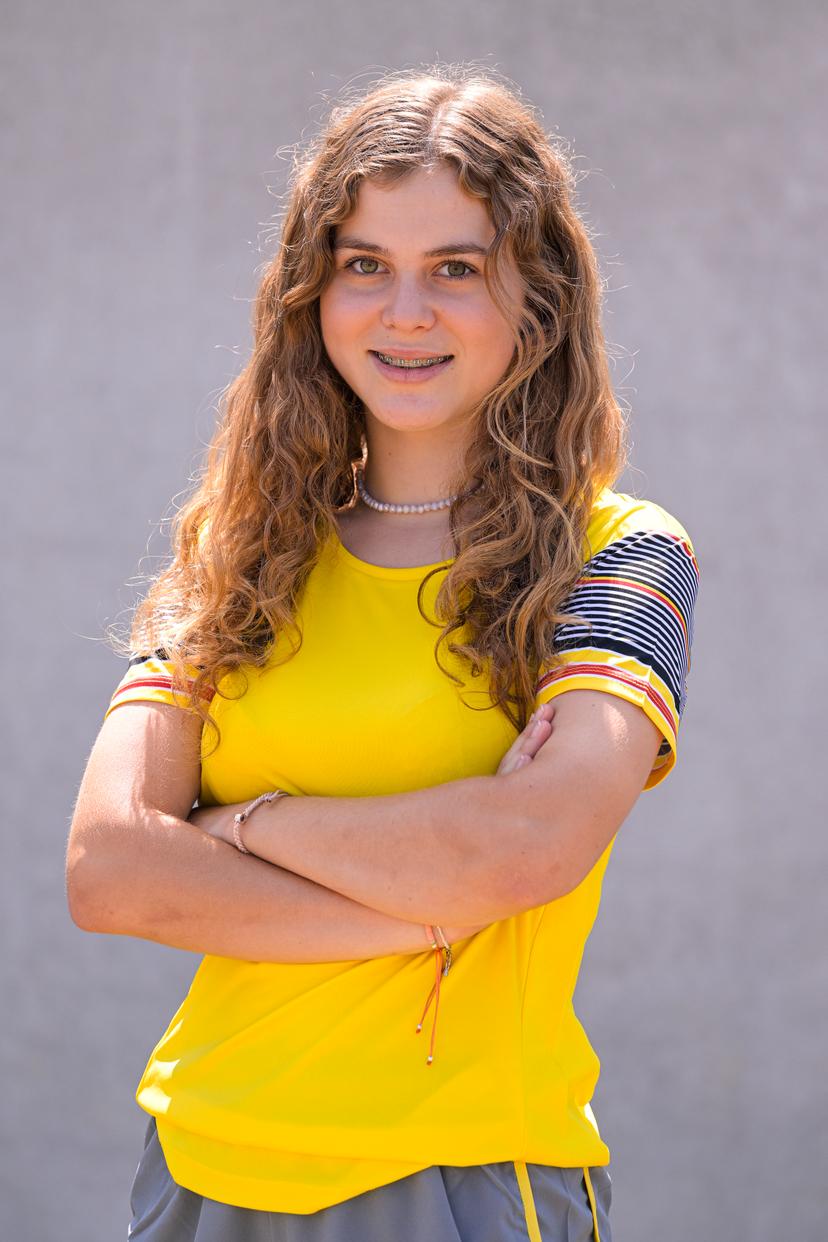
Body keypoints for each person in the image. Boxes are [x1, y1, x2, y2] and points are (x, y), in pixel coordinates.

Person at [66, 65, 699, 1242]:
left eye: (455, 269)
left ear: (538, 301)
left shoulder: (622, 559)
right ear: (312, 293)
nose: (405, 312)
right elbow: (108, 868)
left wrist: (238, 830)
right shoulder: (234, 550)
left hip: (457, 1180)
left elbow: (527, 848)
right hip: (201, 1164)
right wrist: (422, 908)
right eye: (365, 265)